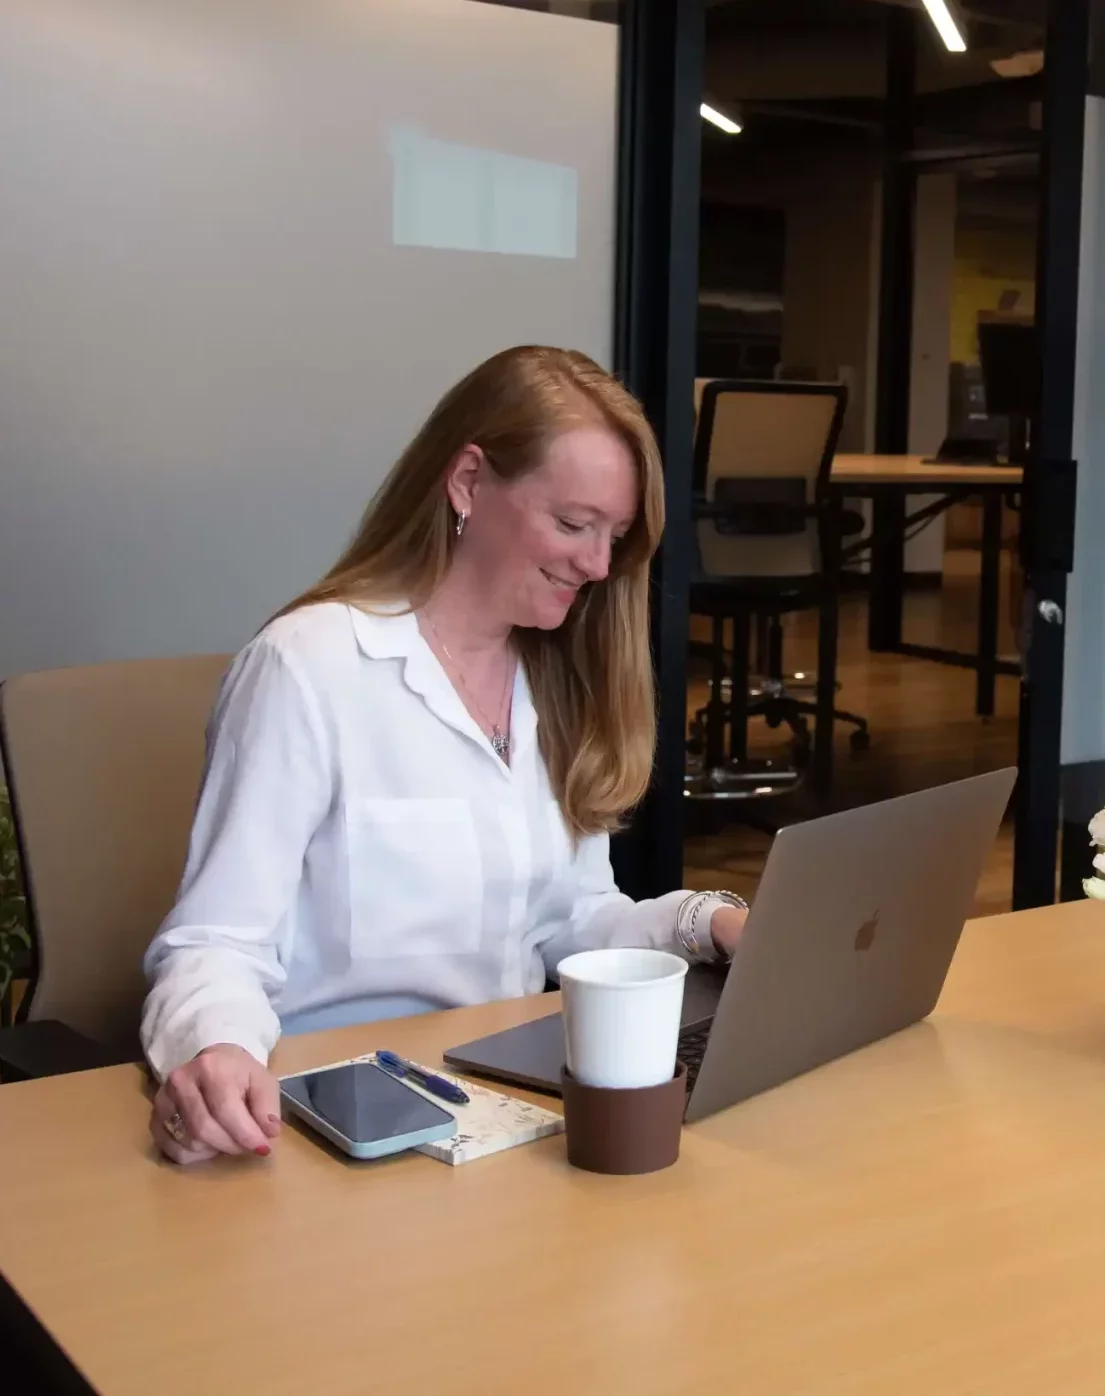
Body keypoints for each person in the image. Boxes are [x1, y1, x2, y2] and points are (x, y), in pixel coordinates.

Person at [143, 346, 750, 1164]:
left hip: (498, 1116)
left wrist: (704, 923)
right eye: (572, 525)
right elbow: (214, 942)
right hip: (330, 1125)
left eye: (613, 536)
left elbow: (568, 920)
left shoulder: (552, 676)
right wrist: (217, 1048)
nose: (599, 566)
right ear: (467, 483)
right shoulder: (310, 667)